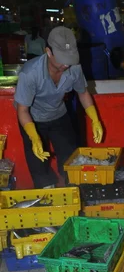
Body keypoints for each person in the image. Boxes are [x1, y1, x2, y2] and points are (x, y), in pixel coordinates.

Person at [14, 26, 103, 188]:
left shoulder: (74, 67)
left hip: (59, 115)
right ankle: (47, 195)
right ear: (48, 52)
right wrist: (34, 137)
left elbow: (82, 93)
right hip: (33, 120)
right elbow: (23, 110)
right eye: (62, 59)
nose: (66, 65)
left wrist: (95, 119)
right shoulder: (30, 73)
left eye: (70, 59)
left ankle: (73, 192)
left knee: (71, 158)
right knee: (38, 162)